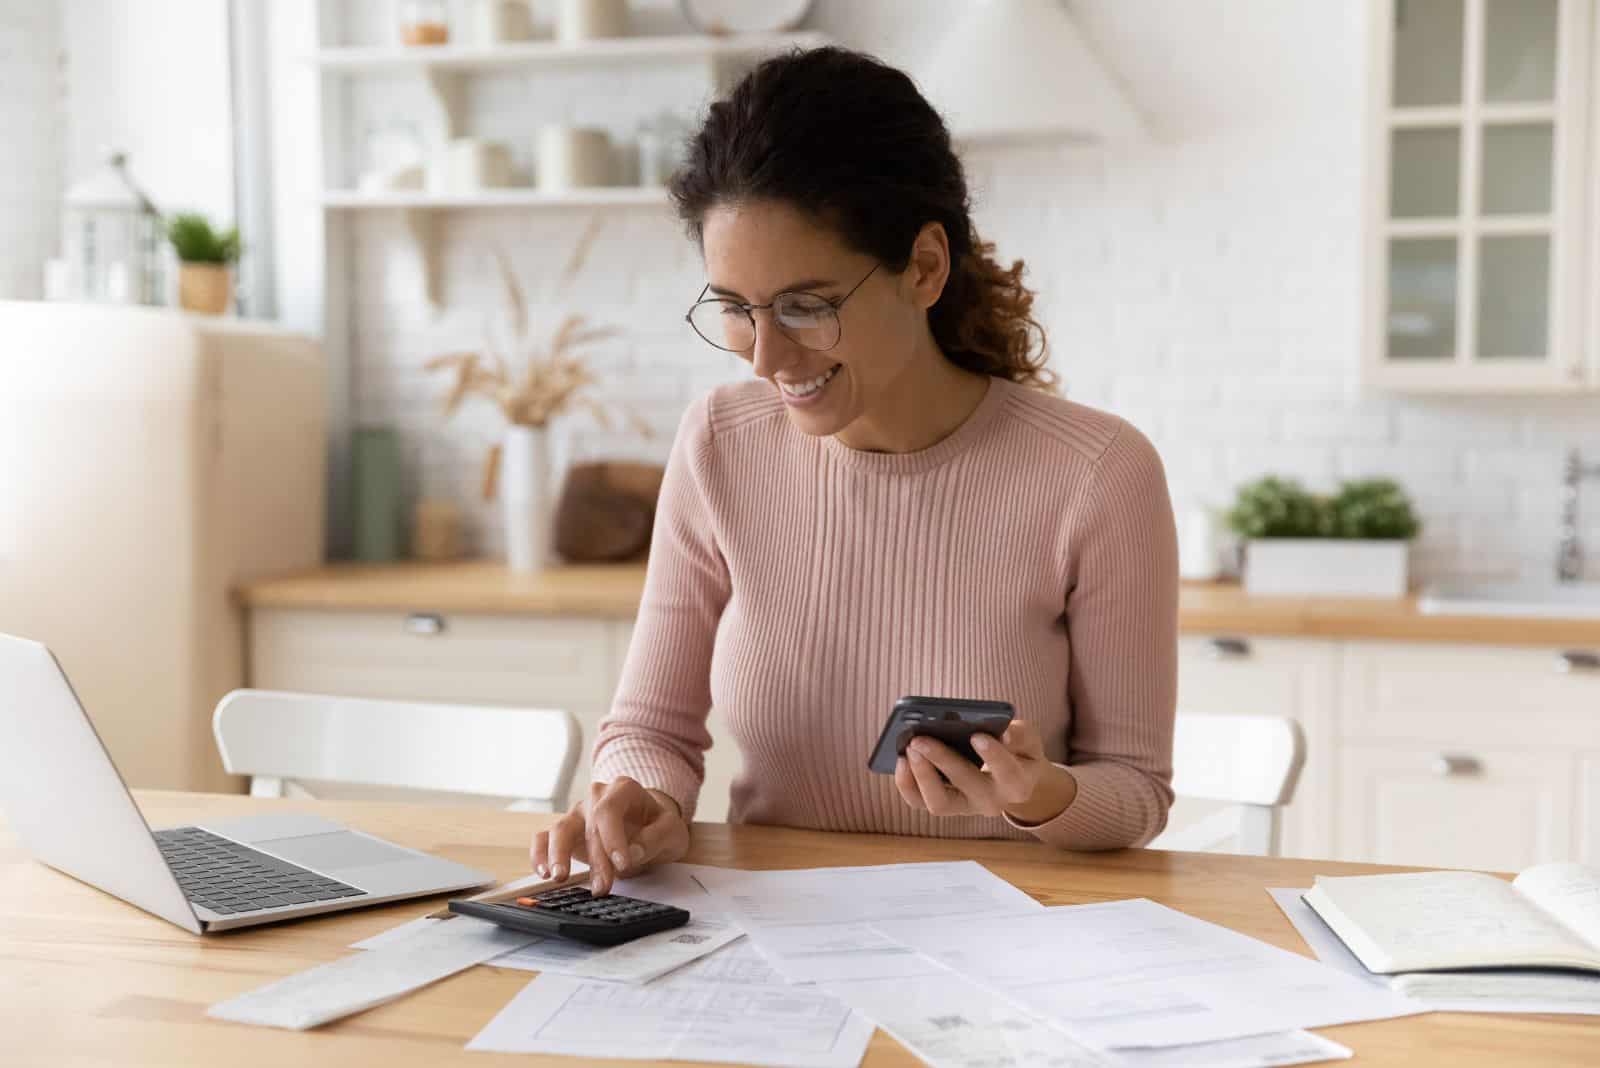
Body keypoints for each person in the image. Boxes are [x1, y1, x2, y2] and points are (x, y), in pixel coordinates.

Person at [533, 47, 1178, 895]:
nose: (766, 358)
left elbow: (1135, 790)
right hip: (769, 935)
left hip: (1011, 942)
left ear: (925, 267)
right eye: (734, 308)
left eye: (807, 305)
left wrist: (1043, 796)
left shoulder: (1097, 473)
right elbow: (652, 726)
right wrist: (643, 798)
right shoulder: (720, 444)